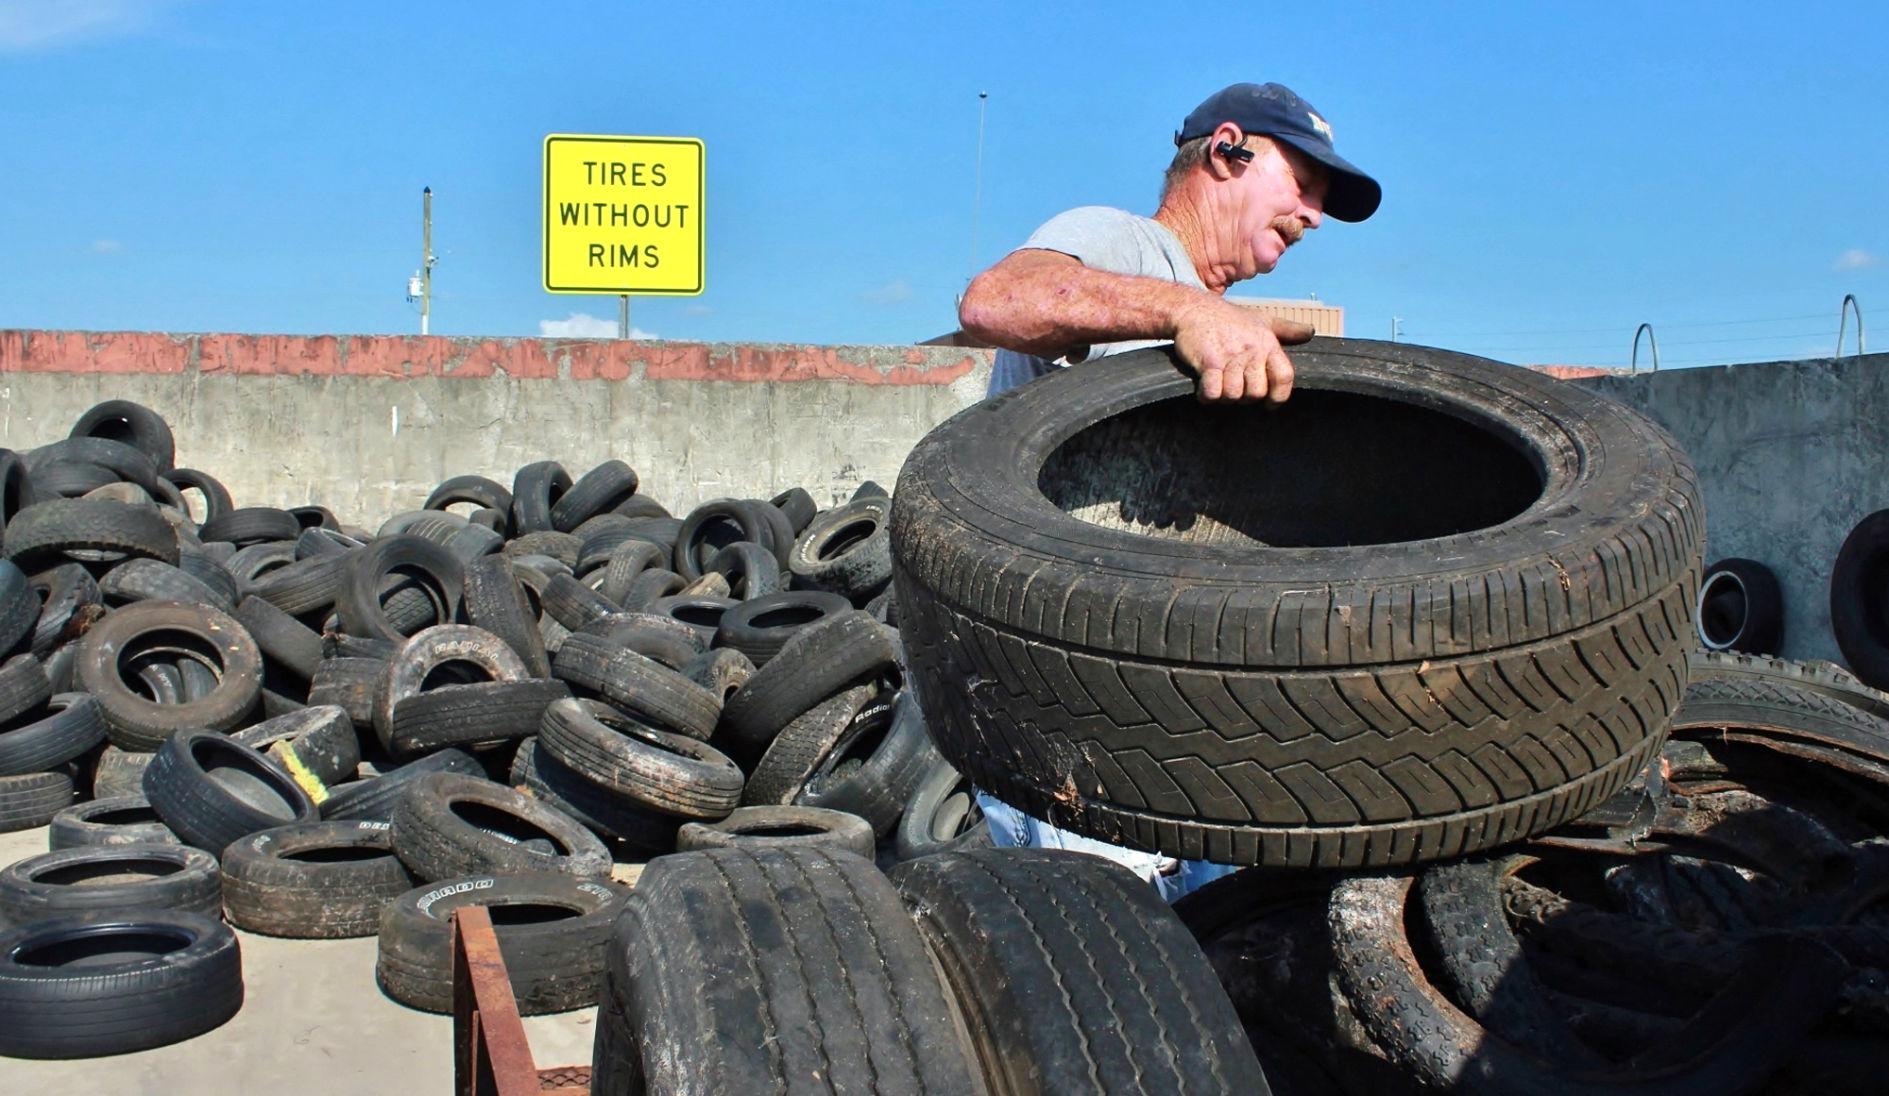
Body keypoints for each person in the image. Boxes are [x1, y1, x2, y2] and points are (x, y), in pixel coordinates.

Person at [957, 82, 1382, 901]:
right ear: (1225, 151)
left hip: (1174, 721)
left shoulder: (1216, 322)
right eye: (1302, 184)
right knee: (1114, 964)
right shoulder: (1123, 244)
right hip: (1070, 718)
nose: (1312, 216)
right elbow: (994, 300)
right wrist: (1188, 309)